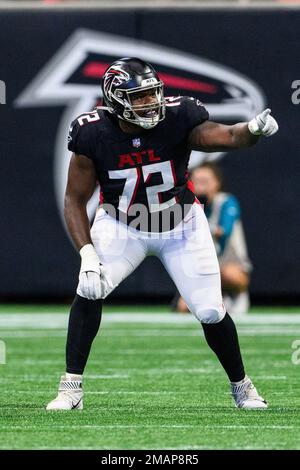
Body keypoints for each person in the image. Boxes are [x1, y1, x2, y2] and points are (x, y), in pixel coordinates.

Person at [46, 58, 278, 411]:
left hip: (181, 225)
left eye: (153, 93)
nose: (150, 102)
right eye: (139, 96)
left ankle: (242, 386)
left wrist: (253, 129)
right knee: (89, 286)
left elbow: (228, 136)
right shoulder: (91, 132)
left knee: (211, 311)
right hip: (121, 224)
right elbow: (75, 199)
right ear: (115, 98)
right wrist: (87, 253)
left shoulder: (178, 117)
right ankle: (71, 388)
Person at [174, 162, 252, 315]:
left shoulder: (226, 202)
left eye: (205, 181)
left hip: (228, 262)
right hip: (201, 267)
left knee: (230, 275)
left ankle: (236, 295)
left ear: (217, 183)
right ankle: (219, 298)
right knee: (183, 307)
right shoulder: (186, 204)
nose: (200, 186)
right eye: (197, 181)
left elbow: (224, 230)